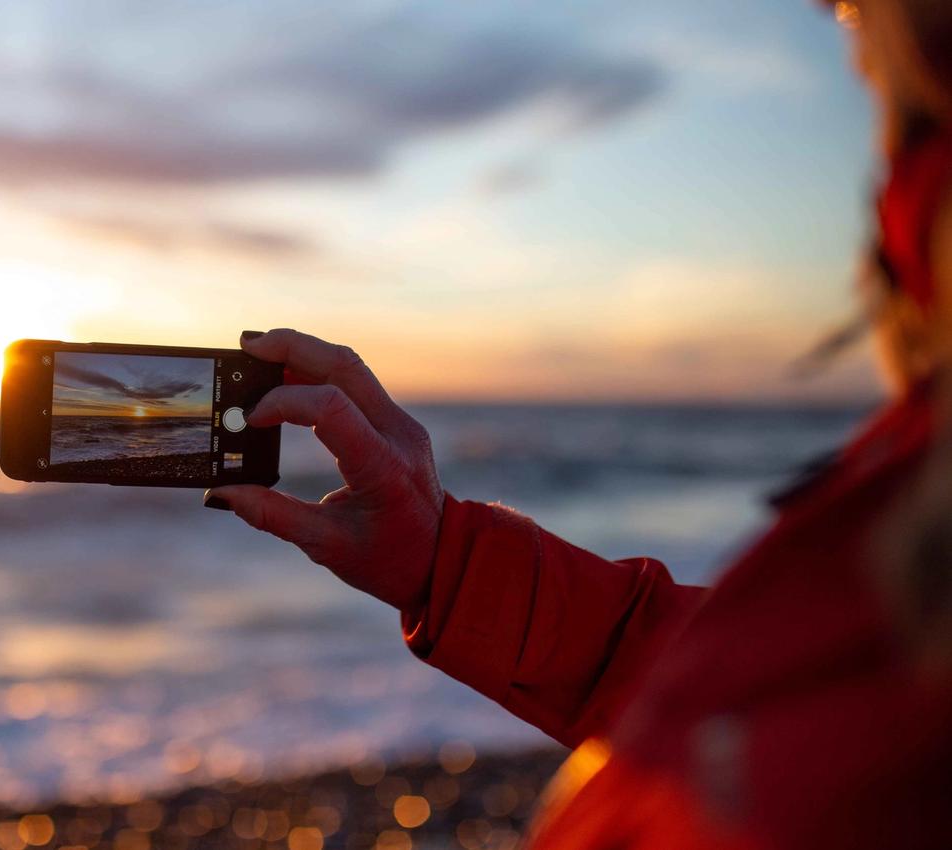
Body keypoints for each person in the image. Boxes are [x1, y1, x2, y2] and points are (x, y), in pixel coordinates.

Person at [203, 1, 952, 847]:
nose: (867, 91)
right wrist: (443, 560)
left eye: (861, 37)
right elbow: (728, 675)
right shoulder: (901, 574)